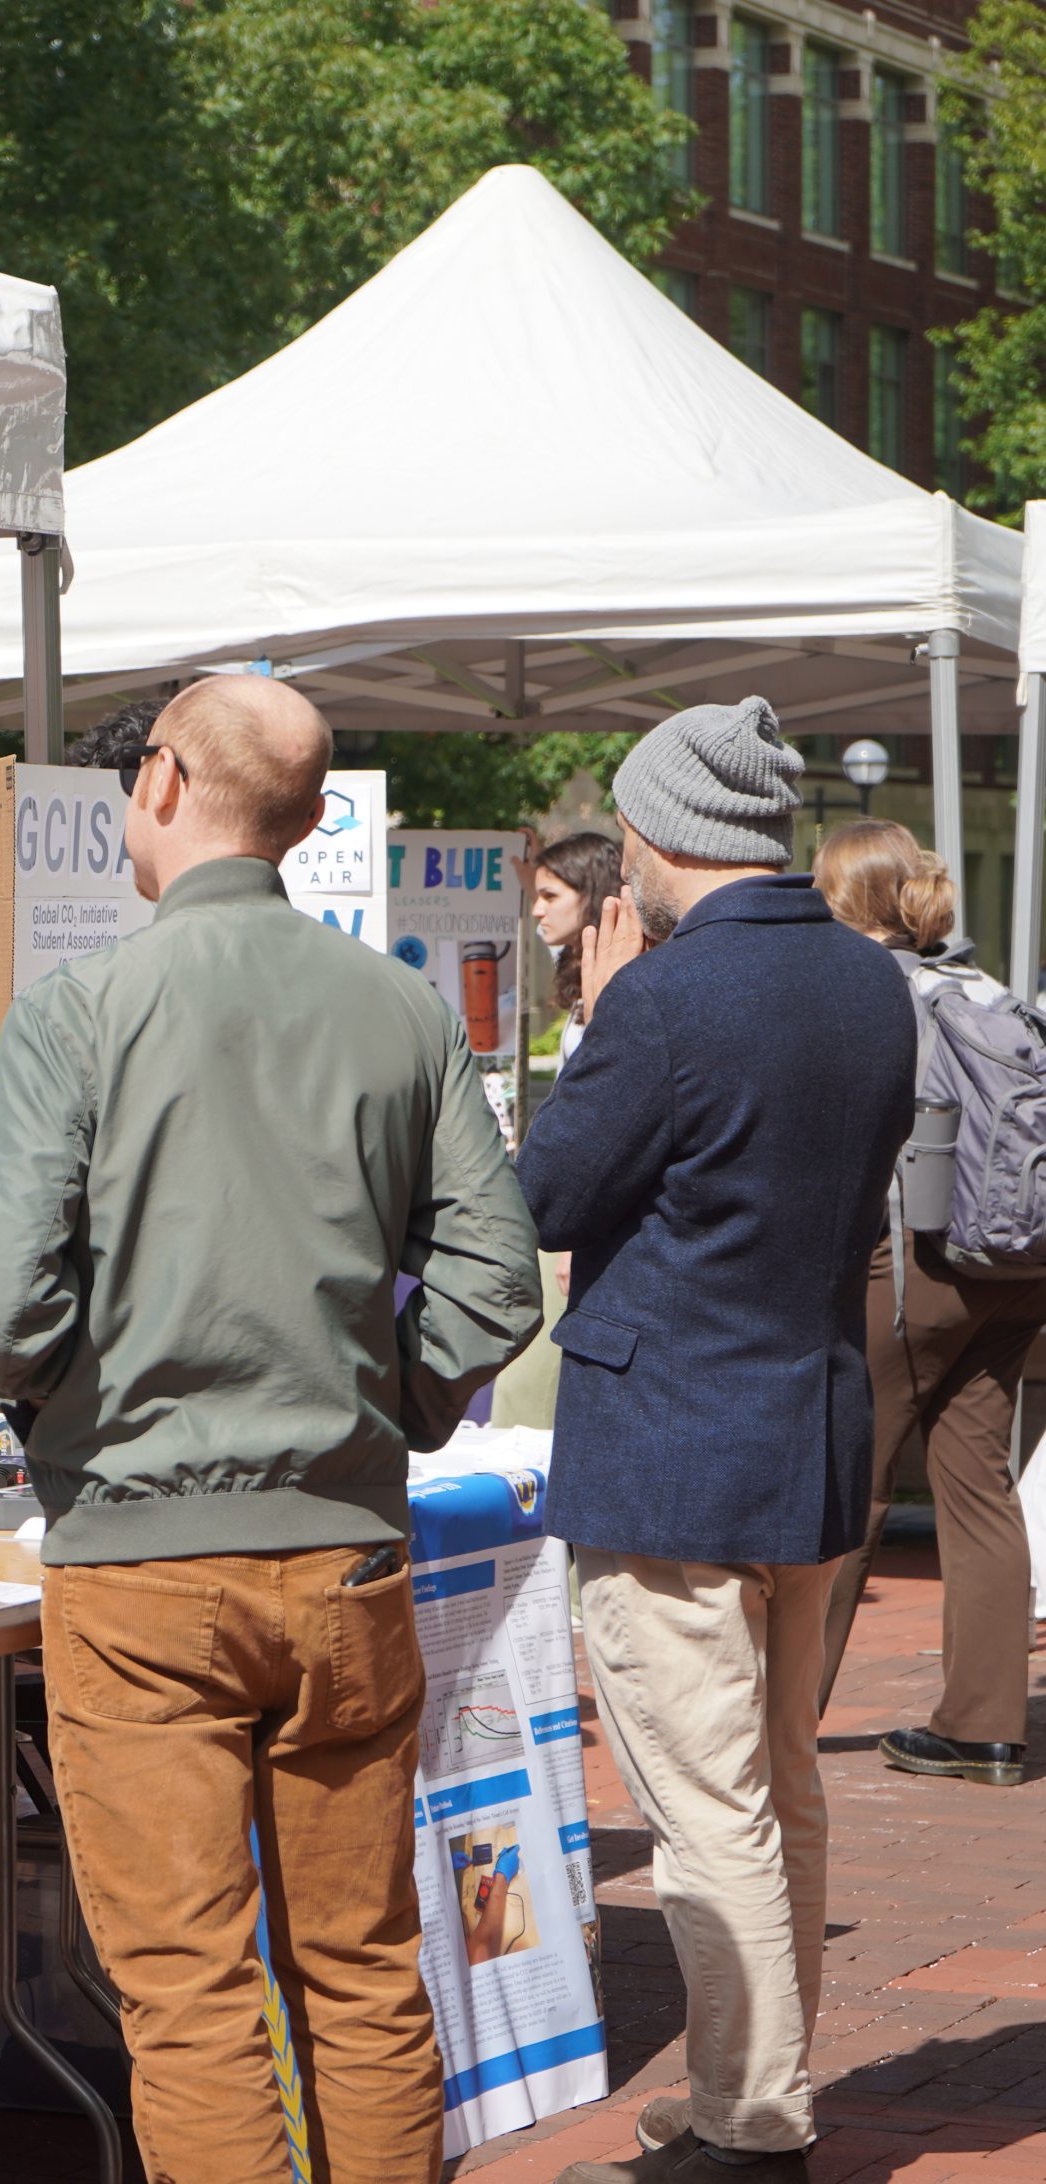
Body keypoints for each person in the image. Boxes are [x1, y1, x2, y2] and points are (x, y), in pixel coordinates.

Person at [0, 677, 543, 2184]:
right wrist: (393, 1398)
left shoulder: (82, 1008)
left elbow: (1, 1309)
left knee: (191, 1998)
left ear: (158, 781)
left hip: (142, 1561)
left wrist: (72, 1401)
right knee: (361, 1970)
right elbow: (496, 1273)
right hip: (341, 1551)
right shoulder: (399, 1003)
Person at [517, 698, 914, 2184]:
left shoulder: (668, 998)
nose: (621, 851)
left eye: (628, 825)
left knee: (708, 1809)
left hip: (678, 1446)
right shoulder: (872, 983)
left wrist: (599, 1019)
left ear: (668, 830)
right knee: (779, 1785)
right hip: (807, 1431)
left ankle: (752, 2118)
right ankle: (752, 2082)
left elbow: (547, 1197)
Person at [813, 820, 1042, 1787]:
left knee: (845, 1482)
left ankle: (781, 1718)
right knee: (977, 1479)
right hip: (1018, 1266)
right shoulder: (981, 987)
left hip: (919, 1265)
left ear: (844, 900)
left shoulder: (859, 993)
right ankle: (985, 1726)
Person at [530, 830, 623, 1058]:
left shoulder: (621, 975)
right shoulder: (576, 959)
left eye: (550, 896)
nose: (537, 910)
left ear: (589, 895)